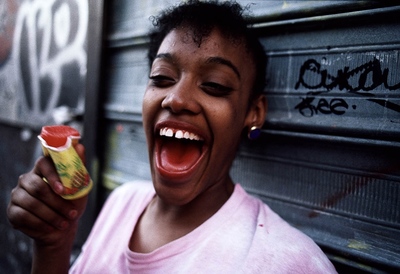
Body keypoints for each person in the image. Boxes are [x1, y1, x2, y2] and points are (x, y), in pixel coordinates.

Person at [7, 1, 337, 273]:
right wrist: (53, 244)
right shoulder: (123, 202)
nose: (176, 99)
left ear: (253, 111)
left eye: (215, 86)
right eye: (162, 77)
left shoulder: (289, 262)